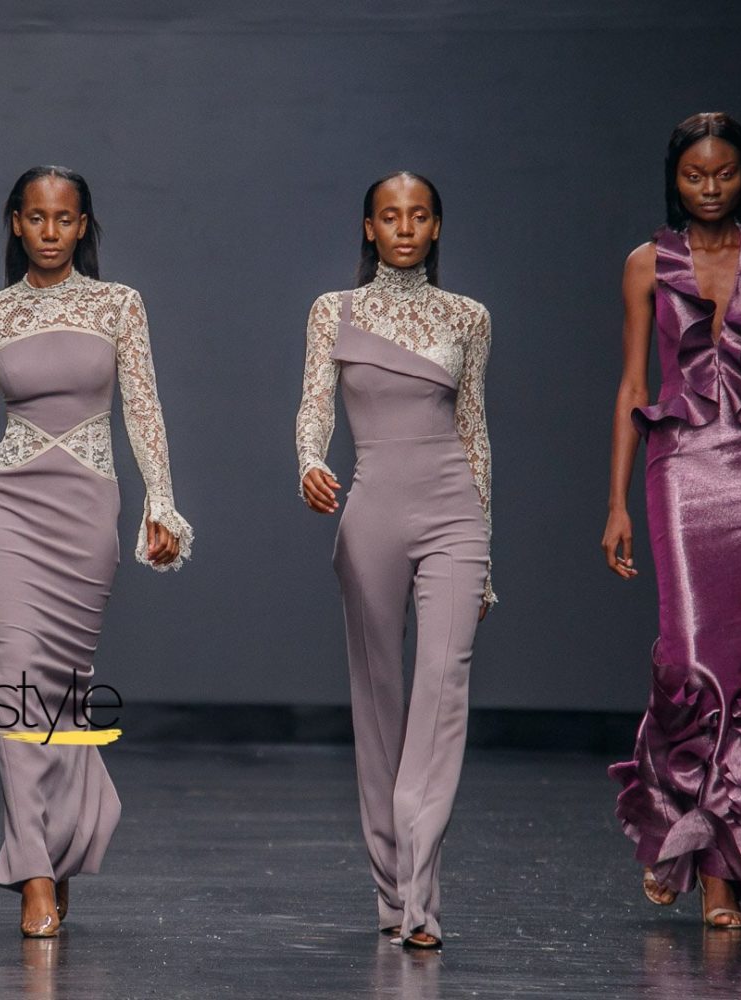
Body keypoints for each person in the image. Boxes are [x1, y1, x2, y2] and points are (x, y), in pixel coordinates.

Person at [0, 166, 193, 937]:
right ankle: (35, 872)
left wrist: (161, 501)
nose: (50, 230)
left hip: (86, 507)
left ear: (83, 225)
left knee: (65, 691)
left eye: (64, 218)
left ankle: (62, 841)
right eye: (36, 217)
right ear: (16, 222)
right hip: (5, 506)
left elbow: (144, 406)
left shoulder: (119, 305)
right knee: (13, 676)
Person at [604, 112, 741, 929]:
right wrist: (616, 503)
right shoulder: (646, 263)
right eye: (694, 175)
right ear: (675, 178)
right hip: (678, 470)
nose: (709, 187)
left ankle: (720, 874)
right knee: (690, 657)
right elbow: (634, 387)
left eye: (724, 173)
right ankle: (679, 830)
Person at [296, 171, 494, 949]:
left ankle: (419, 895)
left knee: (443, 689)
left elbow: (474, 431)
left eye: (418, 215)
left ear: (436, 226)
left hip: (454, 513)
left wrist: (488, 548)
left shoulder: (468, 316)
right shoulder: (334, 311)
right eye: (390, 215)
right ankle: (392, 889)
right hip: (372, 510)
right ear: (369, 227)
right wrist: (309, 462)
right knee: (378, 701)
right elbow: (314, 405)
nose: (405, 227)